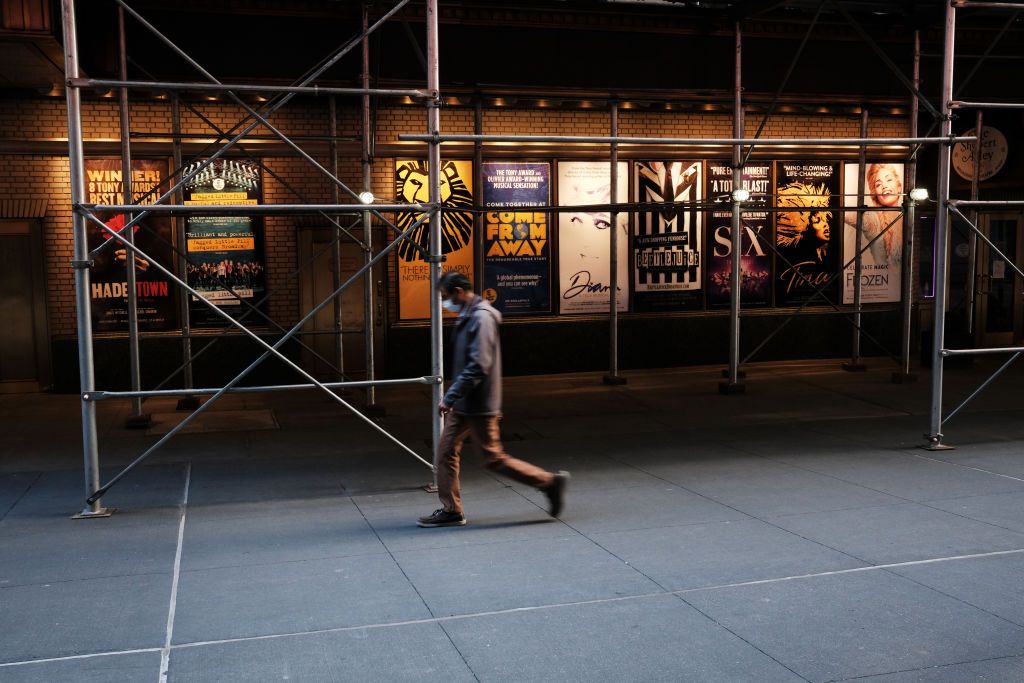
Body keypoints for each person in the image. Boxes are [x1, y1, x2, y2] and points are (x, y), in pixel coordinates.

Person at [418, 271, 569, 528]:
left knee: (493, 458)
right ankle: (452, 510)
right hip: (466, 401)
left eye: (445, 297)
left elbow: (479, 365)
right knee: (445, 451)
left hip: (479, 403)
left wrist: (451, 396)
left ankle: (549, 482)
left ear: (458, 292)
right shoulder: (468, 316)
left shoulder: (481, 318)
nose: (444, 303)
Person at [844, 163, 904, 268]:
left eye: (889, 180)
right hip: (884, 281)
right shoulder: (873, 219)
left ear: (899, 187)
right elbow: (845, 214)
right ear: (875, 194)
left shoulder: (906, 217)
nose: (884, 186)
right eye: (878, 184)